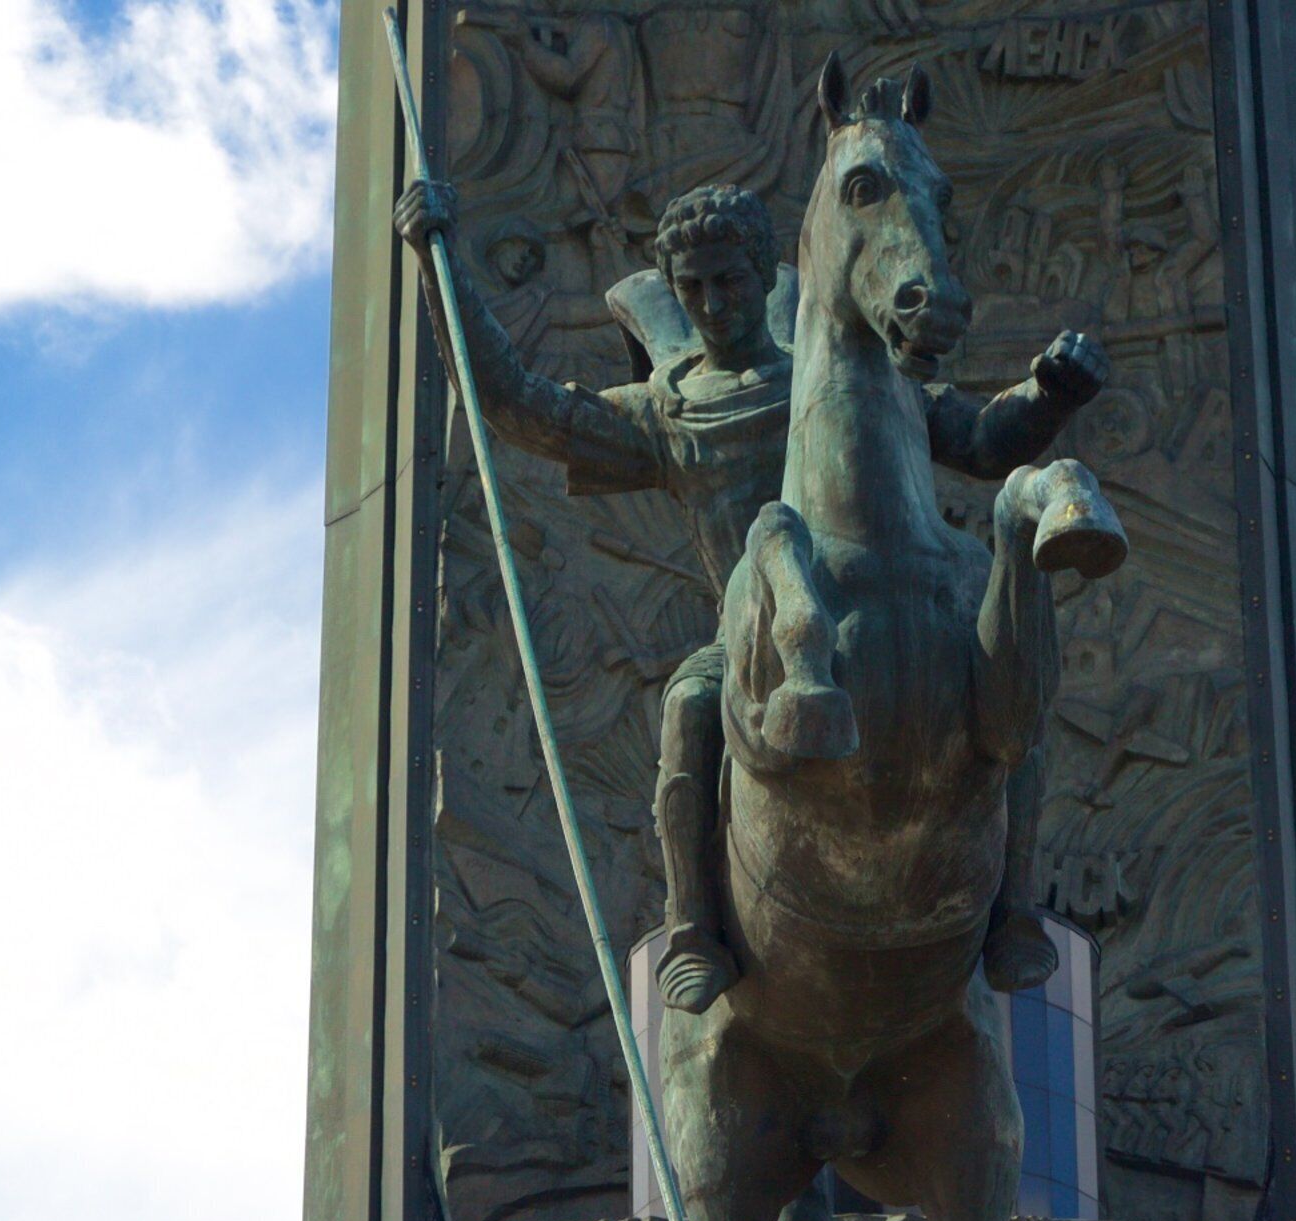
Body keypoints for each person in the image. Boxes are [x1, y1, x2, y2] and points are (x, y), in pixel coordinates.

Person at [396, 176, 1111, 1012]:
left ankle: (1014, 908)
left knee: (1004, 665)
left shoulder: (851, 378)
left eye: (729, 280)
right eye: (692, 287)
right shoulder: (668, 411)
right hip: (755, 636)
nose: (711, 303)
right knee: (690, 710)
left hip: (894, 601)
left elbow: (984, 441)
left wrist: (1052, 394)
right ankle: (695, 926)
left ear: (766, 276)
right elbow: (518, 404)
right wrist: (435, 267)